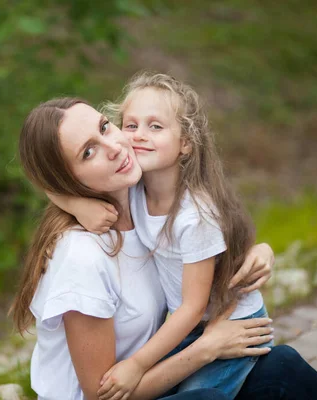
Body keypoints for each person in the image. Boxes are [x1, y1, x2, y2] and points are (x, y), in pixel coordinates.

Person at [10, 97, 317, 400]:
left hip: (147, 380)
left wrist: (259, 251)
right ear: (67, 179)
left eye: (104, 127)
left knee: (281, 365)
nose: (113, 146)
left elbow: (199, 235)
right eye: (88, 151)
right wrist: (206, 349)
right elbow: (101, 396)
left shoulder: (139, 205)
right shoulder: (83, 257)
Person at [49, 72, 271, 399]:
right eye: (131, 125)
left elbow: (193, 307)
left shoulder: (194, 216)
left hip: (232, 324)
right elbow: (47, 174)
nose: (139, 135)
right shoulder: (135, 188)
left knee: (198, 395)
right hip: (189, 330)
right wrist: (76, 204)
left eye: (156, 126)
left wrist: (137, 363)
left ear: (185, 143)